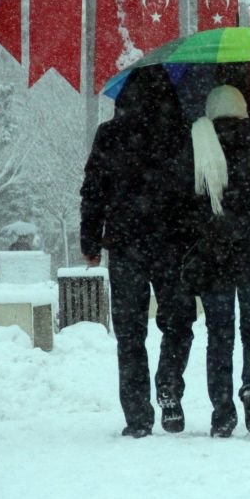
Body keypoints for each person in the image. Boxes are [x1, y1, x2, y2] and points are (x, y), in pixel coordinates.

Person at [80, 66, 197, 438]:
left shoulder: (110, 134)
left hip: (125, 244)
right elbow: (196, 192)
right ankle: (169, 383)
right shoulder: (183, 133)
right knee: (178, 323)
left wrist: (90, 240)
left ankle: (137, 416)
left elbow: (93, 190)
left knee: (130, 333)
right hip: (173, 244)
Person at [182, 85, 250, 437]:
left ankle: (222, 411)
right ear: (243, 108)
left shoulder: (200, 143)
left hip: (215, 255)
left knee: (219, 335)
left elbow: (188, 202)